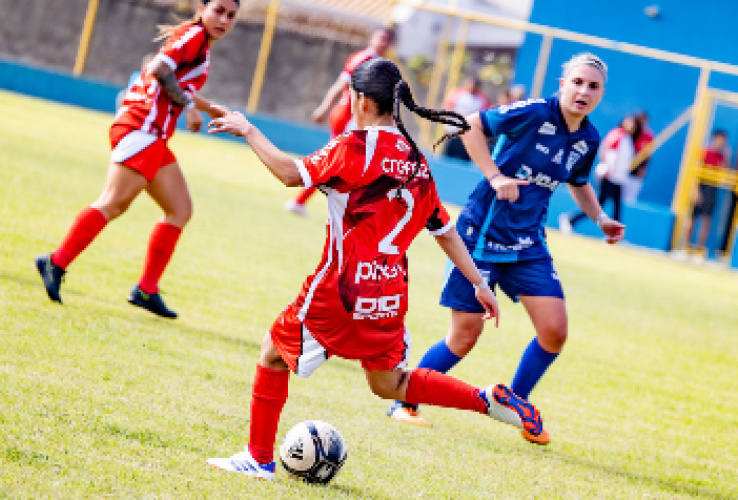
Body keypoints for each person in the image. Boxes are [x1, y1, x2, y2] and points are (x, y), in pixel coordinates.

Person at [204, 57, 549, 480]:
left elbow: (291, 175)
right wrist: (478, 282)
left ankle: (257, 459)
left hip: (341, 289)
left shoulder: (353, 147)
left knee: (274, 354)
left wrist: (248, 129)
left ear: (362, 99)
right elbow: (443, 230)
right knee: (390, 384)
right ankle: (485, 399)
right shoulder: (416, 161)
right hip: (387, 297)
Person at [387, 53, 625, 442]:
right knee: (464, 336)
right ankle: (404, 400)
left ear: (601, 94)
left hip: (529, 242)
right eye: (577, 82)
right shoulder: (533, 112)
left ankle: (513, 400)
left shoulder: (589, 138)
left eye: (593, 86)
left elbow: (579, 182)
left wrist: (600, 219)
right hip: (481, 234)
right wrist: (495, 176)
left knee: (554, 331)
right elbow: (472, 126)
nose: (584, 91)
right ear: (562, 85)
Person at [34, 0, 238, 318]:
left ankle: (146, 289)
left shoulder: (198, 42)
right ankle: (55, 263)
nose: (224, 19)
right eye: (219, 11)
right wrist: (189, 106)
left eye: (231, 15)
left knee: (180, 209)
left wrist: (209, 107)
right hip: (143, 130)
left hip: (151, 133)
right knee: (113, 202)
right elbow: (158, 70)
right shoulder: (194, 36)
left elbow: (174, 77)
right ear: (201, 7)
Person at [283, 27, 394, 217]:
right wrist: (323, 108)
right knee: (337, 162)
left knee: (345, 163)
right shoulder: (363, 59)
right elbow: (341, 85)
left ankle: (303, 201)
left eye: (387, 40)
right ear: (371, 38)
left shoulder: (379, 63)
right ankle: (300, 197)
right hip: (348, 116)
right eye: (381, 38)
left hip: (356, 118)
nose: (384, 42)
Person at [561, 114, 642, 231]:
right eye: (629, 123)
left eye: (634, 124)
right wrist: (608, 169)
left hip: (618, 178)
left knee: (617, 206)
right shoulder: (618, 134)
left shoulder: (628, 139)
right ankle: (571, 219)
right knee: (599, 205)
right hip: (609, 176)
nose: (632, 126)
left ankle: (616, 232)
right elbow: (608, 152)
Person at [680, 130, 729, 260]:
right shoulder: (704, 152)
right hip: (701, 187)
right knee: (692, 218)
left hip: (712, 189)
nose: (721, 142)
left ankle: (699, 250)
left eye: (723, 140)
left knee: (706, 220)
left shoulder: (722, 157)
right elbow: (695, 172)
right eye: (719, 139)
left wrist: (727, 158)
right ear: (714, 138)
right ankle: (685, 247)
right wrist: (695, 190)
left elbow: (723, 176)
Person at [441, 77, 490, 161]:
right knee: (448, 155)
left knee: (463, 158)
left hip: (468, 133)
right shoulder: (457, 93)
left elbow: (483, 116)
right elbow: (447, 107)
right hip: (453, 130)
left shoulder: (482, 99)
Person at [623, 110, 654, 203]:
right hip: (625, 166)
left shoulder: (648, 135)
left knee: (630, 197)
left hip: (638, 168)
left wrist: (643, 168)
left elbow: (647, 155)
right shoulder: (630, 132)